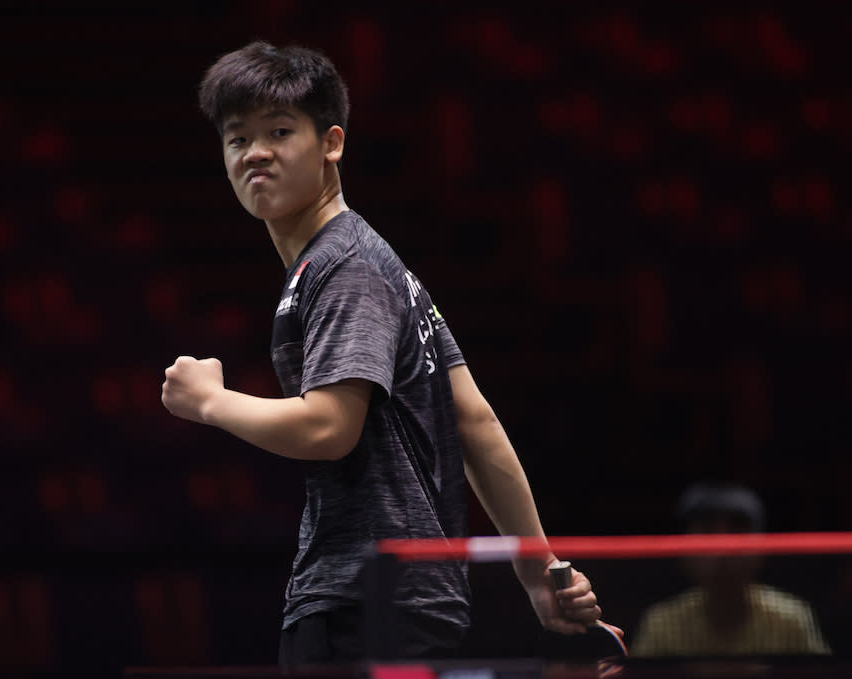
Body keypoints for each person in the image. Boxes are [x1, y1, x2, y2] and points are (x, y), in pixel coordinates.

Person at [160, 41, 610, 665]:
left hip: (361, 600)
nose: (255, 152)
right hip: (404, 597)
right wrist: (538, 571)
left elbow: (328, 427)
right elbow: (473, 421)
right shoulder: (373, 262)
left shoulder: (344, 266)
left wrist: (211, 402)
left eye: (280, 131)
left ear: (331, 143)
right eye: (237, 140)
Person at [631, 483, 830, 657]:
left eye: (737, 530)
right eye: (708, 530)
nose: (723, 547)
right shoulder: (662, 623)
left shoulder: (791, 618)